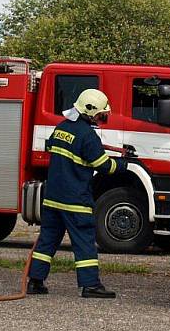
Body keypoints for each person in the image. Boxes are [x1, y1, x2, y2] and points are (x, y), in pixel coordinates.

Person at [27, 88, 126, 298]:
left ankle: (35, 281)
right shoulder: (88, 136)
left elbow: (56, 149)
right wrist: (124, 165)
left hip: (53, 199)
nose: (102, 118)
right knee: (84, 243)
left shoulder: (61, 128)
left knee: (47, 241)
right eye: (101, 114)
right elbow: (103, 166)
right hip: (75, 201)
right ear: (91, 112)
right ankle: (90, 285)